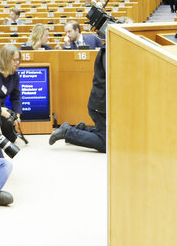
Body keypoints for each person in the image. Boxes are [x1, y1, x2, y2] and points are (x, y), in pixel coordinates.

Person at [49, 17, 133, 152]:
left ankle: (82, 129)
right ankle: (68, 132)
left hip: (103, 103)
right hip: (100, 105)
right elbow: (115, 78)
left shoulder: (117, 49)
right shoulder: (109, 51)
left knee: (111, 134)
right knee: (106, 143)